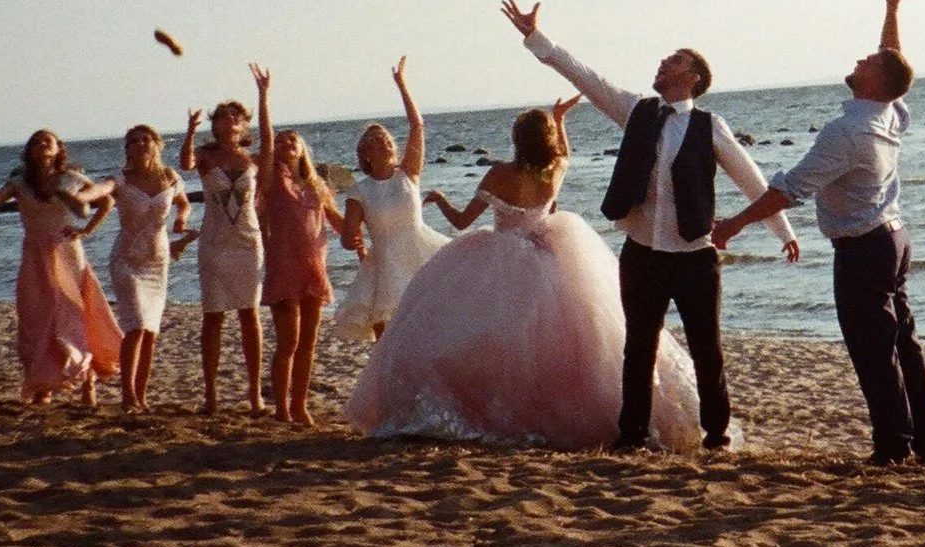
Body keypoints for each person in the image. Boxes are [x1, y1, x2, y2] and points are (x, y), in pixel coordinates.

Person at [502, 0, 800, 453]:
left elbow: (750, 178)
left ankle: (716, 435)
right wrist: (535, 38)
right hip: (641, 252)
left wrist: (783, 232)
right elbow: (585, 76)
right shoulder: (637, 110)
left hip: (695, 256)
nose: (662, 64)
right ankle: (633, 434)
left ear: (693, 78)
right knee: (638, 348)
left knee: (707, 350)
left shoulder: (709, 125)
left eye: (673, 61)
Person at [348, 96, 706, 448]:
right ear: (546, 141)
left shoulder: (499, 173)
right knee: (563, 339)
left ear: (517, 140)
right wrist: (560, 121)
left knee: (489, 336)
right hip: (547, 254)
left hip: (499, 258)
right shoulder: (555, 170)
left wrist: (440, 199)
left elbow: (461, 222)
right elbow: (565, 155)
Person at [714, 0, 925, 467]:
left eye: (866, 61)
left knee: (874, 351)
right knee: (903, 342)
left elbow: (789, 189)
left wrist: (733, 224)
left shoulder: (849, 130)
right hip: (893, 240)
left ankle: (893, 447)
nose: (859, 59)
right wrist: (891, 9)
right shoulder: (888, 111)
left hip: (865, 249)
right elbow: (893, 62)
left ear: (875, 80)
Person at [0, 130, 122, 406]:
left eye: (47, 141)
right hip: (34, 255)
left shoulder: (71, 179)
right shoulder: (20, 182)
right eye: (36, 142)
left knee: (73, 315)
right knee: (37, 318)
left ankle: (87, 381)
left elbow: (106, 201)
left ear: (59, 149)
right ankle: (43, 385)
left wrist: (86, 230)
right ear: (29, 150)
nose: (41, 145)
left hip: (66, 252)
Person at [328, 57, 453, 344]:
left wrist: (402, 85)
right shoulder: (359, 191)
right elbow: (348, 238)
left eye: (384, 137)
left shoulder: (408, 174)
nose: (382, 141)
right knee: (389, 341)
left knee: (431, 333)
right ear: (365, 154)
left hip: (421, 252)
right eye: (374, 140)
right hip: (385, 265)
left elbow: (417, 127)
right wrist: (351, 240)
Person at [252, 66, 338, 426]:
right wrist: (264, 96)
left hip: (314, 265)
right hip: (284, 266)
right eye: (283, 141)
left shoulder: (316, 184)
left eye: (294, 140)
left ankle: (300, 404)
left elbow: (338, 221)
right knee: (288, 341)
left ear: (304, 149)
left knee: (308, 344)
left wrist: (364, 236)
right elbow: (267, 141)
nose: (287, 144)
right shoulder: (272, 178)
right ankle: (282, 408)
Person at [183, 91, 266, 414]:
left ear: (244, 124)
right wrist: (190, 130)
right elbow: (186, 163)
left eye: (236, 115)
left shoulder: (254, 160)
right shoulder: (206, 156)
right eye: (223, 115)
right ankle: (210, 395)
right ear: (214, 125)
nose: (230, 119)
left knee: (250, 316)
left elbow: (271, 149)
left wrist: (263, 94)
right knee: (213, 317)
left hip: (248, 242)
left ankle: (255, 394)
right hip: (215, 244)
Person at [109, 119, 194, 414]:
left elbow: (184, 203)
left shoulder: (169, 176)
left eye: (146, 139)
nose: (140, 144)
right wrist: (80, 197)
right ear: (127, 150)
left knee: (150, 331)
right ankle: (127, 395)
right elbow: (100, 192)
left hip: (157, 261)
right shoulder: (120, 178)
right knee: (135, 326)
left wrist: (182, 219)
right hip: (127, 259)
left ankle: (141, 396)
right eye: (134, 140)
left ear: (156, 145)